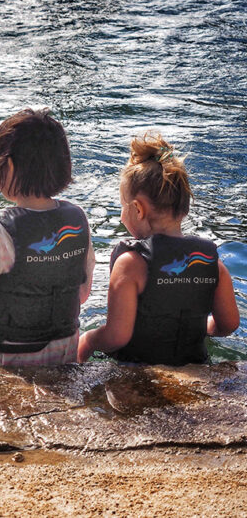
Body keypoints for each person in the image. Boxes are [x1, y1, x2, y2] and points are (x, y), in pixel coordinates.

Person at [78, 133, 239, 365]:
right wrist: (196, 327)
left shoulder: (131, 264)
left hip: (137, 371)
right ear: (183, 209)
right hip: (195, 364)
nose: (123, 215)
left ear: (138, 209)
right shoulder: (213, 264)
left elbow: (116, 336)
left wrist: (88, 341)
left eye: (123, 207)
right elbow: (229, 324)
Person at [0, 108, 95, 365]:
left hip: (11, 358)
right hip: (66, 349)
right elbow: (82, 293)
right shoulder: (78, 218)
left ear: (8, 166)